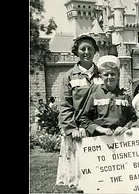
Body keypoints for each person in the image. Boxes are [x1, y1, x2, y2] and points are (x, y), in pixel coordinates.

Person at [56, 34, 103, 189]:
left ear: (95, 51)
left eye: (90, 48)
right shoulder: (68, 76)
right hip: (78, 131)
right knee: (80, 177)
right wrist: (71, 129)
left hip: (97, 129)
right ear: (76, 51)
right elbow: (64, 105)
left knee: (100, 174)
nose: (86, 52)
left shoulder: (103, 75)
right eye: (83, 49)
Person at [79, 55, 135, 136]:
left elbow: (133, 118)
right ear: (100, 77)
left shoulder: (125, 97)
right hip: (100, 139)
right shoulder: (94, 96)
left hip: (121, 139)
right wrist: (100, 129)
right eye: (106, 74)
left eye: (113, 74)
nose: (110, 77)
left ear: (118, 76)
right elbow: (84, 119)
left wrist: (125, 127)